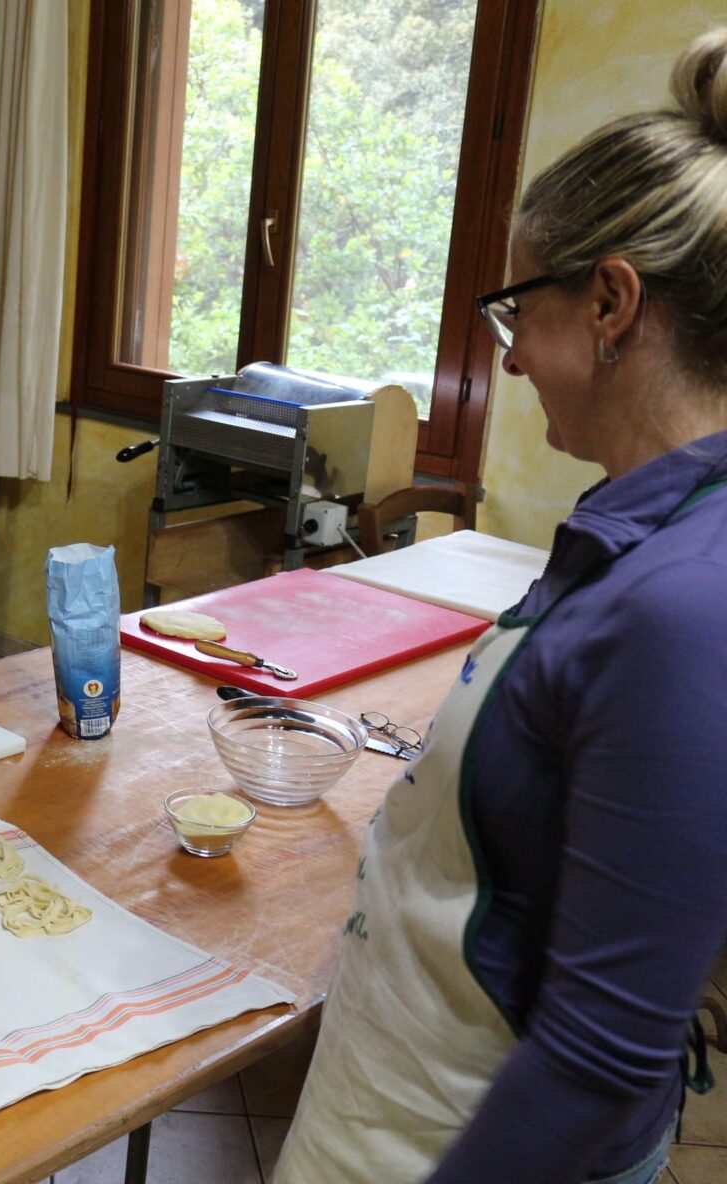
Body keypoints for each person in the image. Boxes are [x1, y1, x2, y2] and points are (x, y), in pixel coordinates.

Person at [276, 28, 727, 1184]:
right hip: (398, 1088)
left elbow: (599, 1058)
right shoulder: (642, 522)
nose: (511, 358)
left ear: (614, 302)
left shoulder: (688, 604)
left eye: (518, 311)